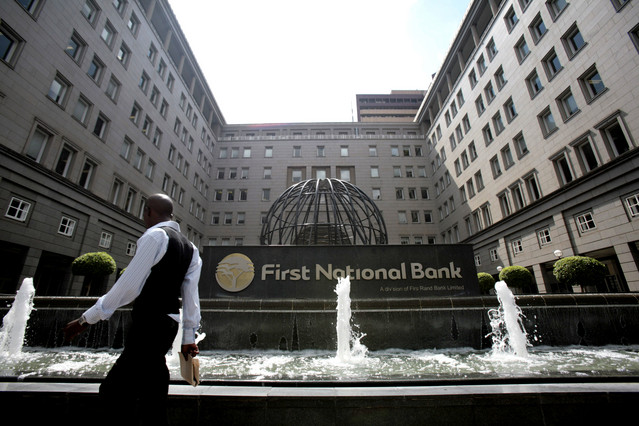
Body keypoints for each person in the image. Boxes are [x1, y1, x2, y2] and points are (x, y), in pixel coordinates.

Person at [63, 193, 202, 425]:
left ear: (147, 211)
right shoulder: (192, 248)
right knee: (153, 387)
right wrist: (189, 336)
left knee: (114, 391)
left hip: (149, 322)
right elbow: (190, 296)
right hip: (168, 324)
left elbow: (128, 287)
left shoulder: (155, 236)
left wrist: (86, 319)